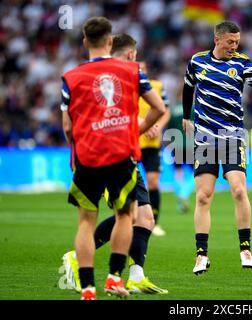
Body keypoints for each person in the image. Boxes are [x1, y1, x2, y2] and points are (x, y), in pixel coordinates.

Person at [61, 18, 165, 300]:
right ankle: (113, 276)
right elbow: (159, 108)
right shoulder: (131, 72)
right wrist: (136, 129)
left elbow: (68, 127)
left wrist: (83, 144)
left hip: (87, 157)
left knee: (105, 218)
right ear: (110, 41)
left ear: (84, 42)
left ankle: (93, 287)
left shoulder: (70, 77)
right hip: (120, 154)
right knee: (128, 215)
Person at [182, 21, 252, 275]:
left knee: (238, 190)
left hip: (232, 135)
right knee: (203, 196)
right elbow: (187, 87)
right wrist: (185, 115)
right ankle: (201, 255)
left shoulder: (243, 62)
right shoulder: (197, 61)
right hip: (204, 138)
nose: (234, 47)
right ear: (217, 39)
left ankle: (245, 248)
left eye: (237, 42)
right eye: (230, 42)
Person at [138, 61, 171, 236]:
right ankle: (130, 219)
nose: (141, 71)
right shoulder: (126, 86)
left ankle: (154, 223)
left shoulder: (157, 86)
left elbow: (166, 110)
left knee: (152, 181)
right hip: (132, 141)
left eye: (143, 69)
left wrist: (158, 126)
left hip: (151, 143)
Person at [166, 85, 195, 214]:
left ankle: (180, 197)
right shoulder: (193, 110)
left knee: (178, 171)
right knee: (197, 173)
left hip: (176, 145)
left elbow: (168, 130)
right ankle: (184, 193)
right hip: (190, 145)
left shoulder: (172, 111)